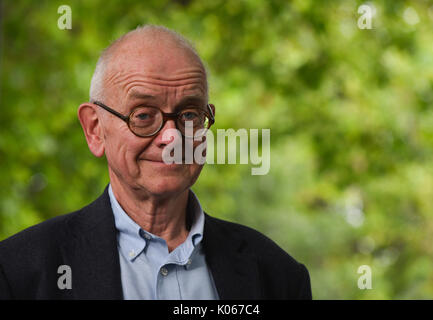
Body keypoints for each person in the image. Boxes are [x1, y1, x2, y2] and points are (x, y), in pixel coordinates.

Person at [0, 25, 312, 300]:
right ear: (95, 129)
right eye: (144, 116)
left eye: (189, 115)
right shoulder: (19, 272)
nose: (171, 138)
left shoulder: (277, 275)